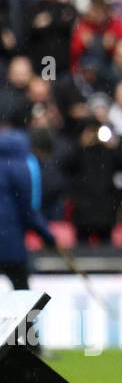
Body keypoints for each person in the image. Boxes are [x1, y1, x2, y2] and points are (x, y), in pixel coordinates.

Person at [0, 120, 57, 293]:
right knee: (25, 295)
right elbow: (30, 210)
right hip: (9, 241)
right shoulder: (28, 163)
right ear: (39, 150)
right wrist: (48, 238)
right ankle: (28, 321)